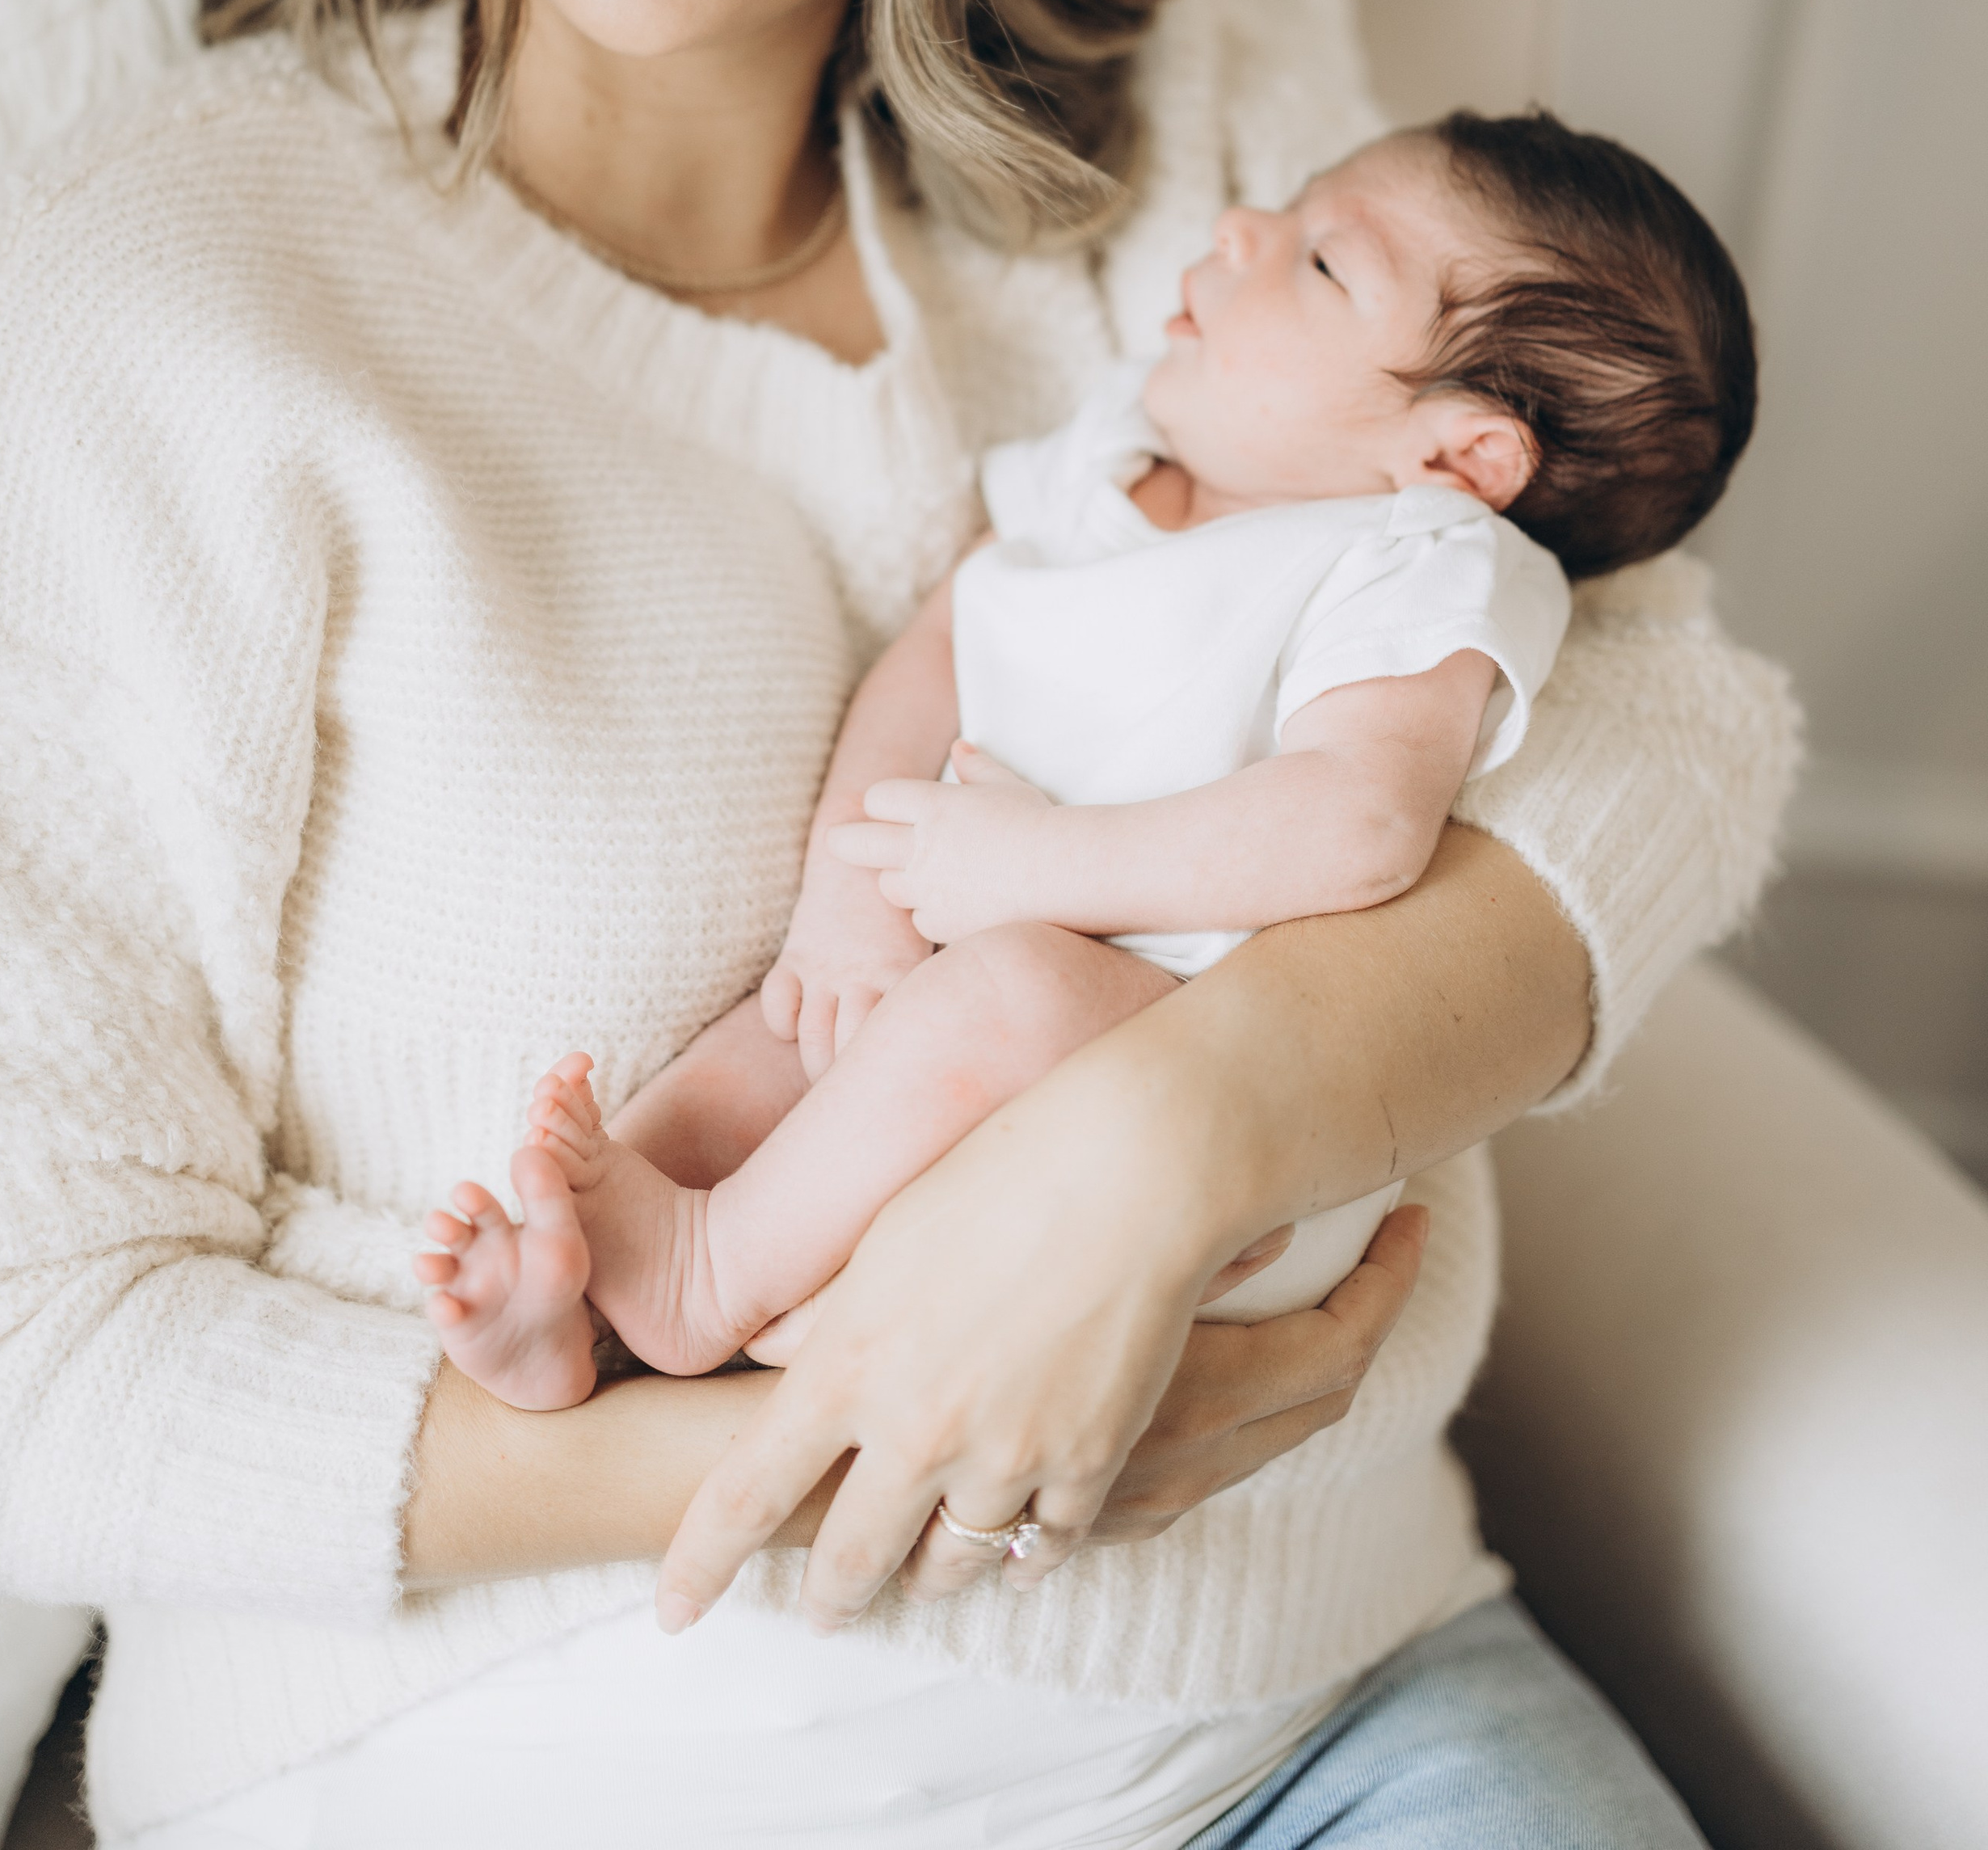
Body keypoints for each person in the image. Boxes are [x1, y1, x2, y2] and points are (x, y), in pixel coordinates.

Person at [0, 0, 1793, 1849]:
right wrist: (889, 1420)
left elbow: (1650, 710)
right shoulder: (152, 326)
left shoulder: (1184, 169)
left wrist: (1181, 1143)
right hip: (553, 1754)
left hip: (1322, 1707)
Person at [420, 109, 1754, 1405]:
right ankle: (576, 1301)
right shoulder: (1112, 450)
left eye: (1325, 259)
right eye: (1284, 211)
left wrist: (1033, 869)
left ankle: (704, 1280)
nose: (1243, 228)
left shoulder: (1417, 559)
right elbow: (943, 647)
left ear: (1457, 454)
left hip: (1196, 1072)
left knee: (996, 998)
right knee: (785, 1035)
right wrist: (849, 897)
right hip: (972, 970)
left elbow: (1359, 824)